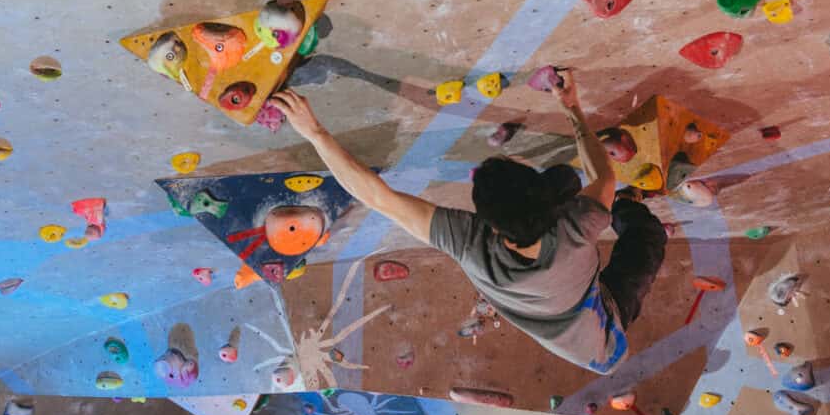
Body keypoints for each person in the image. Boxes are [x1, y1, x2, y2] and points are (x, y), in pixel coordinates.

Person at [270, 71, 667, 374]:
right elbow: (606, 178)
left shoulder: (471, 244)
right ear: (548, 205)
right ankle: (633, 205)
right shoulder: (579, 225)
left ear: (492, 227)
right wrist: (573, 107)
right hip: (604, 333)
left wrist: (315, 133)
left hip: (560, 313)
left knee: (590, 195)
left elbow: (377, 197)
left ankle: (620, 205)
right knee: (646, 236)